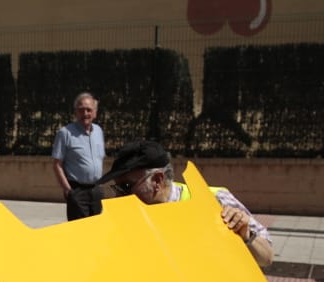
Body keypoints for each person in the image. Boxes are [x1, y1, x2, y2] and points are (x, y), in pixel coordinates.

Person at [94, 139, 275, 268]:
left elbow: (266, 258)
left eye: (126, 186)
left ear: (157, 180)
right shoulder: (130, 217)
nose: (119, 196)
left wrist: (246, 236)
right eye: (117, 188)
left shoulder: (214, 200)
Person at [51, 92, 106, 221]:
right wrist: (68, 191)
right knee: (80, 233)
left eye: (89, 110)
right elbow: (57, 164)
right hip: (77, 191)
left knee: (98, 229)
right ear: (76, 112)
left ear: (95, 112)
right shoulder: (65, 133)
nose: (85, 113)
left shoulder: (99, 131)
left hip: (96, 191)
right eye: (81, 110)